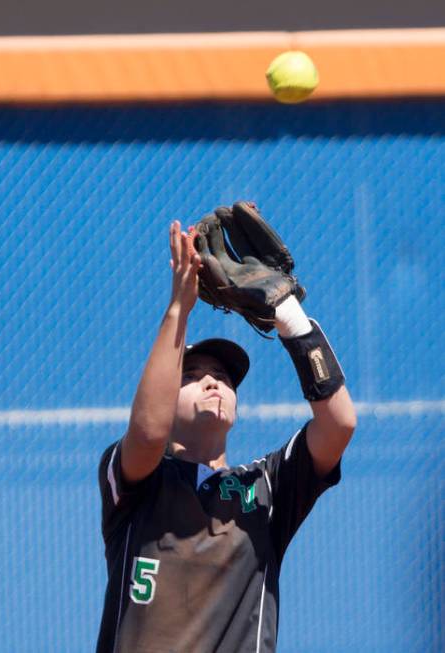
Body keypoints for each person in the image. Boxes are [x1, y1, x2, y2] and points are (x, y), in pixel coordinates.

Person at [96, 219, 356, 652]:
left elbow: (338, 424)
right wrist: (179, 308)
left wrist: (289, 315)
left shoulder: (267, 486)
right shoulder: (139, 485)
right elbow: (147, 431)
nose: (213, 382)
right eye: (193, 376)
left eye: (223, 377)